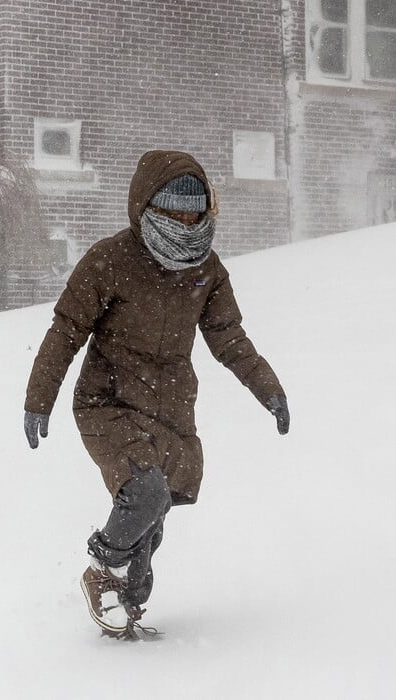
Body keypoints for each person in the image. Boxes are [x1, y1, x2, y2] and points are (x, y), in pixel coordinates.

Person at [24, 150, 289, 639]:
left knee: (152, 524)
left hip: (169, 409)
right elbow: (66, 331)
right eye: (174, 210)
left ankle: (126, 615)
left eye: (195, 210)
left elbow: (229, 338)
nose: (186, 220)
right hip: (108, 403)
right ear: (148, 205)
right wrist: (39, 398)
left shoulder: (207, 270)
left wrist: (267, 387)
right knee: (144, 494)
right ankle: (102, 571)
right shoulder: (109, 260)